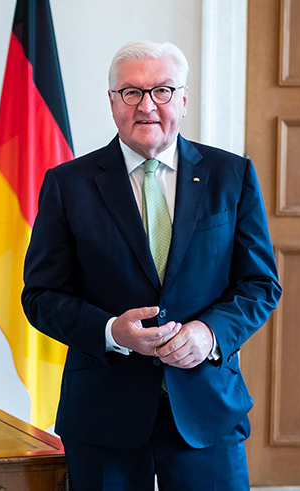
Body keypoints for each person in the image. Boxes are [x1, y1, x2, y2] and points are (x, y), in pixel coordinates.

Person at [21, 40, 282, 490]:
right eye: (131, 92)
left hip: (207, 408)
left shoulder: (231, 175)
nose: (147, 106)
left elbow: (260, 283)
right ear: (112, 101)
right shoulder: (68, 184)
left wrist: (210, 334)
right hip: (104, 413)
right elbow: (41, 296)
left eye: (162, 90)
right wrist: (110, 332)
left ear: (183, 99)